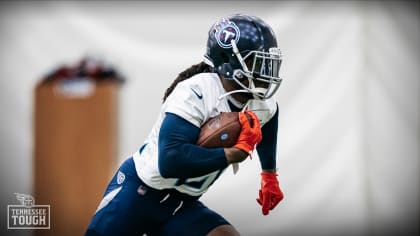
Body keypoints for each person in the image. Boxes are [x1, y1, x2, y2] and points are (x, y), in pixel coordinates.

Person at [86, 14, 284, 236]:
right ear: (229, 61)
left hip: (182, 204)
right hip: (138, 195)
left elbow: (270, 118)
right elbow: (170, 160)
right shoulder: (196, 91)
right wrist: (230, 154)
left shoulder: (261, 102)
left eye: (268, 62)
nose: (266, 71)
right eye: (256, 61)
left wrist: (269, 174)